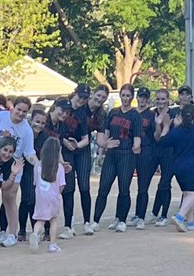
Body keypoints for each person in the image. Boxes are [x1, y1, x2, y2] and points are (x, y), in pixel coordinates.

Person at [157, 103, 194, 232]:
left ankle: (190, 222)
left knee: (187, 193)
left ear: (181, 116)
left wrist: (166, 126)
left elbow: (161, 142)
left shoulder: (176, 132)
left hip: (179, 168)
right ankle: (179, 216)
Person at [0, 96, 37, 246]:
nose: (20, 113)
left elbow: (29, 152)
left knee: (9, 198)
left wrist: (38, 164)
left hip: (14, 165)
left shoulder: (26, 129)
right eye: (19, 109)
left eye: (24, 111)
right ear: (12, 107)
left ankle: (12, 234)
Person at [93, 84, 142, 232]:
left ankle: (121, 219)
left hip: (127, 154)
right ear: (120, 96)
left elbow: (137, 136)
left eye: (128, 96)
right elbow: (105, 134)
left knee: (123, 189)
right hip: (112, 154)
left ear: (132, 97)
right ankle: (95, 220)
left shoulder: (135, 115)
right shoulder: (113, 113)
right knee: (103, 188)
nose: (125, 98)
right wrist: (101, 153)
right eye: (123, 95)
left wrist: (136, 147)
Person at [59, 84, 93, 238]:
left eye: (85, 98)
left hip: (81, 151)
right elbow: (55, 129)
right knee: (69, 188)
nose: (82, 100)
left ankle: (87, 222)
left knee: (84, 186)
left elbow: (86, 139)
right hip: (66, 150)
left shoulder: (82, 113)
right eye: (80, 97)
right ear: (74, 94)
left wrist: (76, 145)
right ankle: (68, 225)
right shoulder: (63, 107)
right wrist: (66, 143)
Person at [29, 135, 66, 253]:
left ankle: (35, 234)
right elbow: (62, 185)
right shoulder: (59, 167)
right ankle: (52, 244)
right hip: (53, 197)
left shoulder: (37, 165)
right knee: (53, 220)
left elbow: (35, 182)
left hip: (40, 197)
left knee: (40, 219)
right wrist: (57, 194)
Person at [18, 104, 48, 241]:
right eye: (37, 122)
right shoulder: (25, 131)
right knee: (27, 199)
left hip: (40, 169)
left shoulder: (45, 136)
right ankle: (23, 230)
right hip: (25, 168)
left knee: (41, 200)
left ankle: (42, 230)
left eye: (42, 123)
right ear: (31, 121)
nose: (39, 125)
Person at [150, 89, 179, 226]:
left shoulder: (173, 113)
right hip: (156, 150)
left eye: (163, 99)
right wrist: (157, 124)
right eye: (158, 99)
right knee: (153, 182)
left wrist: (167, 124)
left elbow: (172, 136)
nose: (160, 102)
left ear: (168, 99)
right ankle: (154, 213)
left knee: (165, 183)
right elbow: (156, 138)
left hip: (170, 151)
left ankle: (163, 215)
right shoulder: (152, 113)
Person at [129, 87, 156, 228]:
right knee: (125, 183)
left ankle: (141, 215)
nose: (142, 100)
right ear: (137, 98)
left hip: (146, 149)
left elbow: (154, 134)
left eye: (145, 97)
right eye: (141, 97)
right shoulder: (132, 113)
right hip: (131, 149)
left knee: (143, 186)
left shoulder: (151, 115)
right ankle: (126, 215)